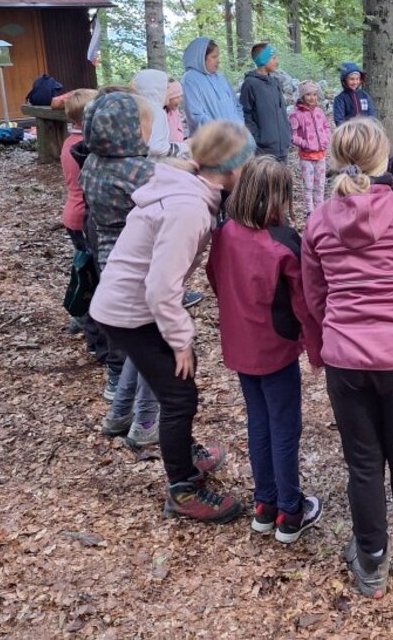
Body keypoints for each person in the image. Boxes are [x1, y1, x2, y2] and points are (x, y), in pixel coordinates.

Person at [301, 118, 393, 599]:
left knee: (363, 462)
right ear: (382, 158)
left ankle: (371, 558)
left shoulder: (320, 220)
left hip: (346, 358)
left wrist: (334, 335)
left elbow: (314, 297)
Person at [89, 120, 255, 523]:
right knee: (179, 395)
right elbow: (161, 287)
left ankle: (184, 453)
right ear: (233, 167)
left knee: (179, 383)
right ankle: (182, 488)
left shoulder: (190, 188)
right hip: (130, 312)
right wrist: (181, 340)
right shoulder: (188, 210)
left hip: (133, 304)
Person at [206, 156, 325, 542]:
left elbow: (215, 278)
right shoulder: (284, 242)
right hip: (275, 348)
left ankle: (265, 503)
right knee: (284, 426)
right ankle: (289, 511)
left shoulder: (225, 233)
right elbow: (305, 304)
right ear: (280, 197)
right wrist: (316, 350)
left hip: (241, 343)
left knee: (259, 421)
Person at [79, 91, 160, 418]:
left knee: (121, 320)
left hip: (105, 248)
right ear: (130, 129)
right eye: (147, 124)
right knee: (146, 329)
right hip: (140, 255)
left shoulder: (93, 162)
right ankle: (142, 406)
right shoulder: (140, 171)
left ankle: (118, 381)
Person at [60, 89, 97, 334]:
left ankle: (83, 316)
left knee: (85, 266)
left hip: (74, 213)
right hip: (82, 215)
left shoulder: (70, 141)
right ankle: (83, 317)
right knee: (89, 271)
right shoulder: (83, 146)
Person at [241, 42, 291, 162]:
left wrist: (287, 133)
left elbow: (282, 111)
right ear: (263, 59)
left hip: (282, 147)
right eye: (273, 58)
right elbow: (245, 114)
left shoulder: (275, 82)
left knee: (283, 175)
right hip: (264, 150)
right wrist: (258, 138)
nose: (277, 61)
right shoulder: (250, 84)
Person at [181, 36, 243, 132]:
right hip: (211, 138)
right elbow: (195, 115)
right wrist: (221, 131)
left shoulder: (220, 78)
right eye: (214, 57)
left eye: (218, 56)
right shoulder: (190, 79)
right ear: (201, 57)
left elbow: (236, 105)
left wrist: (240, 124)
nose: (218, 60)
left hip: (236, 135)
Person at [290, 80, 332, 215]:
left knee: (320, 184)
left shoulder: (319, 111)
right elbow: (292, 135)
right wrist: (306, 144)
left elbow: (326, 126)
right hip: (306, 157)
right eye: (308, 95)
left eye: (314, 94)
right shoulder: (296, 114)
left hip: (321, 155)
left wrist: (326, 139)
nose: (312, 98)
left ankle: (320, 209)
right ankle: (310, 211)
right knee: (308, 185)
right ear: (302, 96)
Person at [132, 69, 187, 160]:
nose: (170, 92)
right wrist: (183, 147)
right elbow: (155, 147)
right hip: (153, 164)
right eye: (167, 88)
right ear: (156, 89)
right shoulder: (156, 111)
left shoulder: (136, 107)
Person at [165, 79, 186, 144]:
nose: (181, 99)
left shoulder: (175, 112)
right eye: (177, 97)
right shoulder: (161, 116)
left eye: (181, 96)